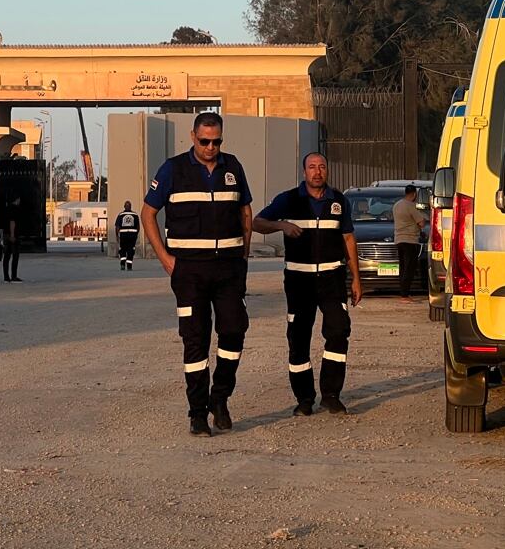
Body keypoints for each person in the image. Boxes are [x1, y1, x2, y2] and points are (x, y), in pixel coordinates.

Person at [142, 113, 253, 436]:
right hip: (189, 271)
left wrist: (244, 255)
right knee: (196, 340)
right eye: (205, 141)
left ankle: (220, 399)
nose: (210, 147)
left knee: (233, 331)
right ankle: (197, 413)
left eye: (216, 141)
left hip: (229, 268)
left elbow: (245, 210)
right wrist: (165, 258)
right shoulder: (173, 169)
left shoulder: (232, 166)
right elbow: (148, 213)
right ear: (193, 137)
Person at [253, 152, 362, 416]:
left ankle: (331, 394)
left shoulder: (338, 200)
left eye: (322, 167)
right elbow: (256, 222)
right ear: (304, 172)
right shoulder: (288, 199)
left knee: (338, 331)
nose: (317, 172)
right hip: (299, 280)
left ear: (327, 171)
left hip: (332, 278)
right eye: (312, 167)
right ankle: (304, 398)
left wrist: (356, 278)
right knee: (298, 338)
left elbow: (348, 239)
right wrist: (281, 225)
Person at [391, 184, 426, 302]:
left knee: (402, 267)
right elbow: (421, 222)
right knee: (409, 268)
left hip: (398, 240)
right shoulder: (411, 206)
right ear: (414, 194)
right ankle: (405, 295)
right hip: (410, 240)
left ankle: (403, 293)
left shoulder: (397, 205)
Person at [115, 200, 140, 270]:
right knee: (131, 250)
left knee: (122, 249)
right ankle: (129, 266)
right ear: (130, 207)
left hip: (123, 235)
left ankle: (122, 265)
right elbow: (138, 227)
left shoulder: (121, 215)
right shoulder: (135, 215)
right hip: (132, 236)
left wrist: (117, 235)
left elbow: (117, 226)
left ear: (124, 207)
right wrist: (135, 234)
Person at [2, 194, 21, 283]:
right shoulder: (15, 209)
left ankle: (6, 277)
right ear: (16, 200)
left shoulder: (5, 209)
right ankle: (14, 276)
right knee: (15, 255)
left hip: (6, 234)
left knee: (6, 256)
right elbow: (12, 222)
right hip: (12, 235)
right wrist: (12, 235)